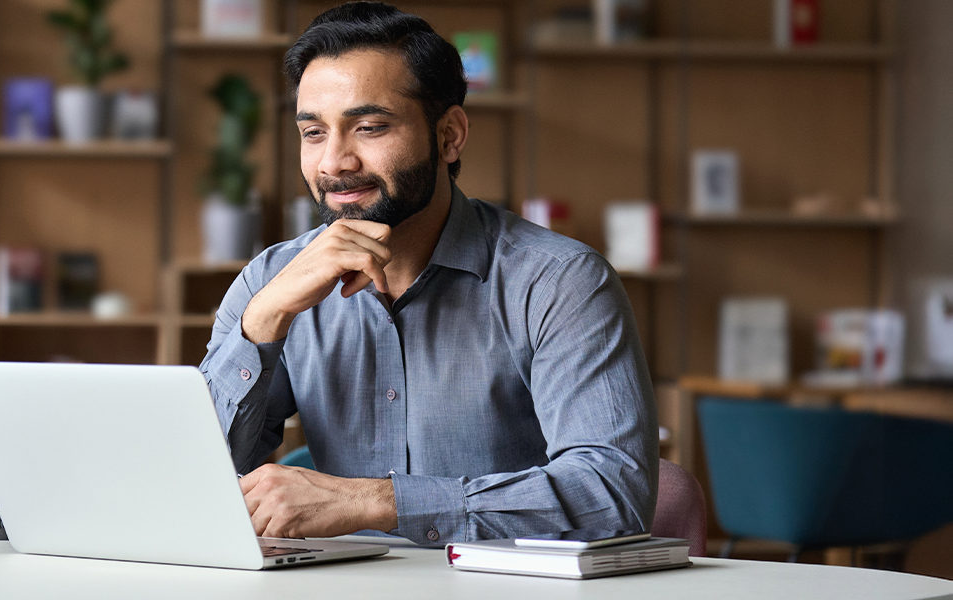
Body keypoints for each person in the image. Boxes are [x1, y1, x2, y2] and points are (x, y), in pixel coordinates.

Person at [199, 1, 657, 545]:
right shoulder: (269, 281)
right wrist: (264, 322)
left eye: (368, 127)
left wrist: (378, 501)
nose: (334, 164)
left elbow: (612, 494)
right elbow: (190, 481)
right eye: (314, 133)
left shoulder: (560, 282)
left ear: (449, 136)